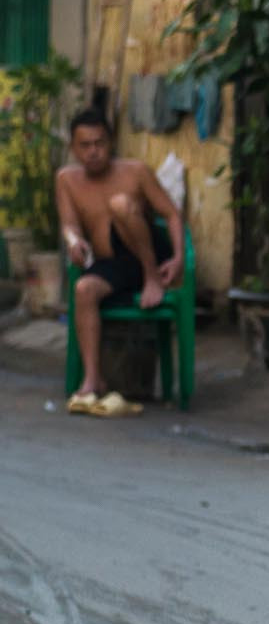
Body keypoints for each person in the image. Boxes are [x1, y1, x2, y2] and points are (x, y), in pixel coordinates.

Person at [56, 106, 185, 416]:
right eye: (85, 145)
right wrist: (74, 242)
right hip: (112, 264)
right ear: (74, 148)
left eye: (99, 143)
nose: (93, 152)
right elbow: (70, 224)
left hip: (148, 254)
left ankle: (150, 276)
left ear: (110, 143)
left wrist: (179, 257)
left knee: (120, 204)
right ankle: (93, 379)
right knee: (84, 289)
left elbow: (171, 214)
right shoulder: (66, 179)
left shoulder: (135, 171)